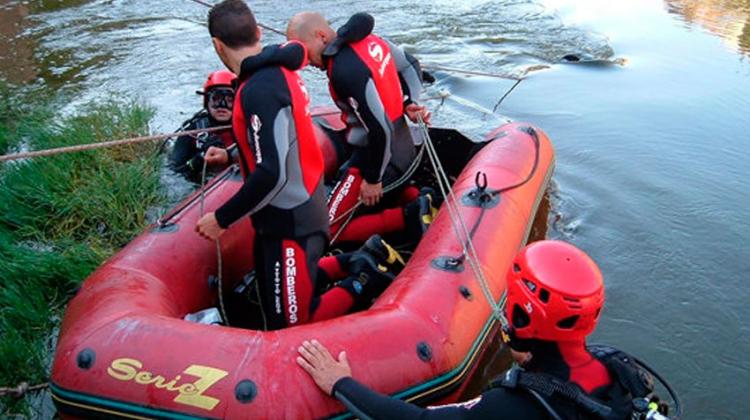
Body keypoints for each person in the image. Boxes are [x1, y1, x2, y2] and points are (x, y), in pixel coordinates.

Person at [195, 0, 400, 330]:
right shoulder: (275, 71)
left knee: (288, 326)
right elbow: (279, 142)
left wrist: (222, 218)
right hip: (285, 213)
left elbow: (271, 172)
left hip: (291, 221)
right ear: (258, 32)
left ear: (217, 46)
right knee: (273, 298)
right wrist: (232, 155)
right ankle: (352, 261)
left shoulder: (260, 87)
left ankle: (364, 276)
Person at [297, 240, 671, 419]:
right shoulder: (620, 371)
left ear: (522, 316)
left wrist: (339, 383)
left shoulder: (513, 407)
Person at [286, 12, 438, 245]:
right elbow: (410, 65)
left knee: (326, 230)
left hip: (379, 158)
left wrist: (373, 178)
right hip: (404, 147)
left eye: (304, 52)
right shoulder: (372, 41)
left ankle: (408, 215)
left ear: (321, 36)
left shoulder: (343, 71)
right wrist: (410, 101)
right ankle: (417, 200)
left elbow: (380, 129)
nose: (304, 62)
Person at [170, 70, 236, 182]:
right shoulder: (192, 131)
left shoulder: (249, 129)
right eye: (216, 99)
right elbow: (173, 172)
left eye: (229, 100)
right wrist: (198, 161)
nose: (222, 106)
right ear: (207, 101)